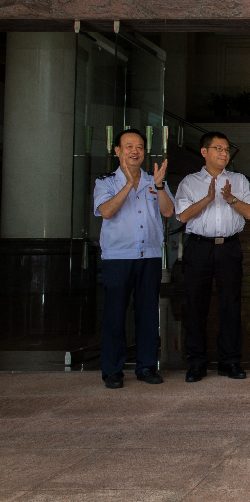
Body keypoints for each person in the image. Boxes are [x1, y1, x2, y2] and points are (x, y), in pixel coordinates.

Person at [174, 132, 250, 382]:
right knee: (196, 305)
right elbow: (182, 216)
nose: (224, 153)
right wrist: (208, 199)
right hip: (199, 247)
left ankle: (230, 361)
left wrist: (230, 198)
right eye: (218, 148)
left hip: (229, 248)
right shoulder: (190, 182)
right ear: (204, 152)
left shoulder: (238, 179)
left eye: (226, 149)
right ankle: (196, 362)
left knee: (230, 305)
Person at [94, 129, 174, 389]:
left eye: (139, 146)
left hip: (149, 256)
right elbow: (106, 212)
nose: (134, 151)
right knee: (115, 314)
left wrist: (160, 186)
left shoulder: (155, 180)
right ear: (117, 150)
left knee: (148, 313)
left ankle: (146, 366)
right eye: (128, 146)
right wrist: (129, 184)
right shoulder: (106, 182)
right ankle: (113, 370)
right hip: (118, 257)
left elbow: (169, 211)